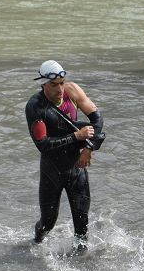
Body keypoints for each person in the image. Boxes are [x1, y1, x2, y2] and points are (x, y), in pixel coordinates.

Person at [24, 60, 105, 245]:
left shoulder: (72, 91)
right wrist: (76, 136)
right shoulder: (35, 106)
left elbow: (98, 121)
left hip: (76, 166)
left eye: (62, 82)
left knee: (82, 224)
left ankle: (81, 264)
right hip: (51, 169)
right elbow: (43, 145)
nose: (60, 89)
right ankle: (34, 246)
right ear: (43, 83)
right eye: (54, 85)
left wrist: (88, 148)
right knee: (48, 223)